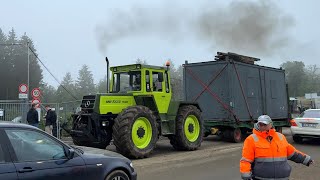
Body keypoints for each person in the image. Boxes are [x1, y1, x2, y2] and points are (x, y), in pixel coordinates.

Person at [240, 115, 314, 180]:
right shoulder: (251, 139)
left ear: (271, 124)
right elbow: (246, 160)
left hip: (283, 177)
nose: (262, 126)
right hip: (261, 178)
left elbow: (292, 153)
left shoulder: (280, 137)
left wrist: (306, 159)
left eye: (265, 124)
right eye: (260, 124)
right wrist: (246, 175)